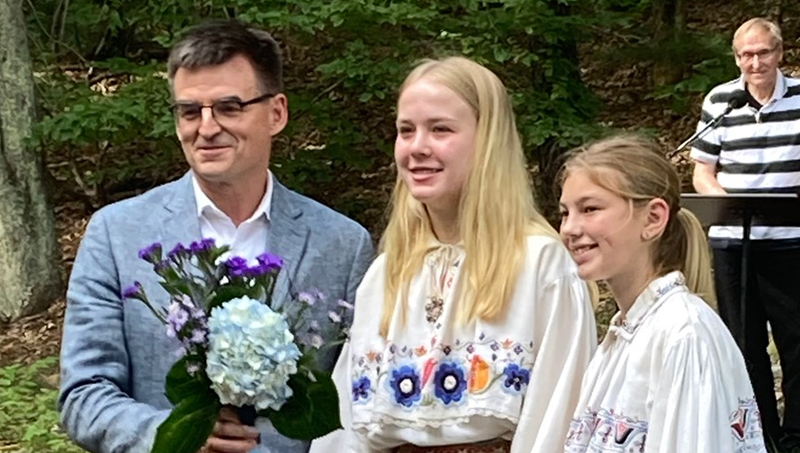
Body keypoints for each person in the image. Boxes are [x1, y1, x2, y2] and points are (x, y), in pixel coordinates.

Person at [57, 19, 374, 453]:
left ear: (276, 113)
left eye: (229, 108)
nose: (206, 128)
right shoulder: (116, 234)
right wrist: (177, 435)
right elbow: (83, 394)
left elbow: (362, 407)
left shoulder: (343, 244)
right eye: (190, 111)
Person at [310, 56, 597, 453]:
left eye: (440, 129)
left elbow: (558, 421)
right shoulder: (386, 274)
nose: (417, 147)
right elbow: (344, 430)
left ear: (488, 140)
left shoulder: (540, 265)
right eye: (405, 131)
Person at [559, 136, 767, 452]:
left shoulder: (683, 334)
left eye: (590, 209)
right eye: (565, 213)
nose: (570, 229)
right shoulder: (625, 333)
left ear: (654, 218)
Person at [689, 17, 800, 450]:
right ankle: (761, 438)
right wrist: (726, 203)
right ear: (736, 58)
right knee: (743, 345)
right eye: (746, 55)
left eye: (763, 53)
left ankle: (795, 438)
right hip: (734, 244)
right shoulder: (721, 101)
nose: (755, 63)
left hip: (790, 243)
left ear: (780, 53)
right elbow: (703, 172)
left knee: (796, 345)